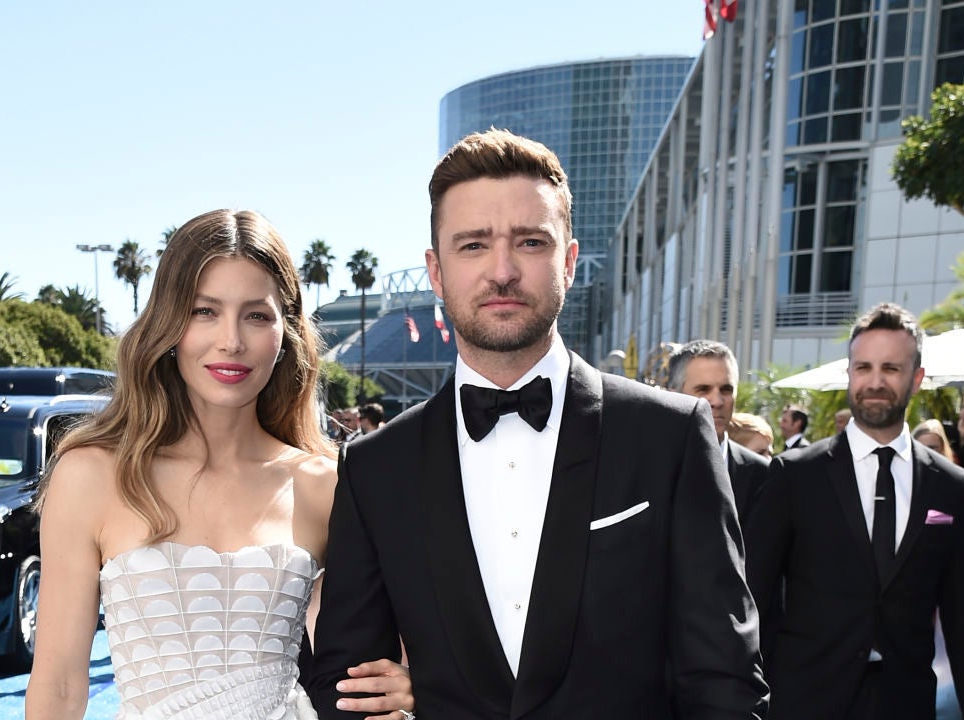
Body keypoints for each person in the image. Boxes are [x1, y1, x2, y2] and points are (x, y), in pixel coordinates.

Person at [309, 129, 766, 718]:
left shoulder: (669, 436)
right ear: (436, 271)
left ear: (568, 262)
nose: (502, 271)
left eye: (529, 242)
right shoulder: (376, 466)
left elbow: (725, 680)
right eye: (473, 245)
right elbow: (348, 685)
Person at [25, 210, 412, 720]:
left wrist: (409, 687)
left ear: (286, 332)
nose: (231, 340)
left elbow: (380, 651)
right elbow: (58, 685)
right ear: (168, 323)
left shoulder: (325, 484)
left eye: (256, 315)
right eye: (205, 311)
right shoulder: (91, 476)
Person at [746, 302, 964, 719]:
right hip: (805, 701)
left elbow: (963, 616)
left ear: (917, 378)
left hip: (906, 703)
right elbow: (754, 596)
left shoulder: (951, 486)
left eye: (891, 368)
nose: (875, 382)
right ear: (850, 373)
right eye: (863, 368)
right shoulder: (795, 475)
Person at [666, 339, 770, 524]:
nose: (717, 401)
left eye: (726, 390)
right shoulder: (648, 467)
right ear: (674, 396)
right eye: (703, 390)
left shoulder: (762, 474)